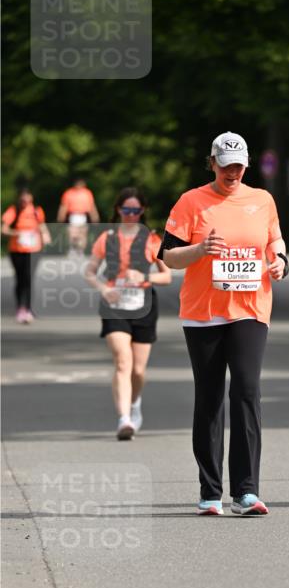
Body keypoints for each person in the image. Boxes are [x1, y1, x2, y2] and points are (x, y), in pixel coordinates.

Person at [161, 131, 288, 516]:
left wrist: (280, 261)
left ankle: (247, 491)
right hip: (203, 312)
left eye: (238, 165)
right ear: (212, 163)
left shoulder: (261, 200)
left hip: (250, 307)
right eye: (225, 164)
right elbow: (168, 256)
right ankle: (210, 490)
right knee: (211, 396)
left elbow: (275, 241)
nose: (232, 171)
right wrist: (199, 250)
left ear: (246, 165)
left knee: (247, 390)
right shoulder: (192, 201)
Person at [84, 187, 171, 440]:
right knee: (123, 361)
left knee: (138, 370)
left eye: (136, 210)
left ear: (142, 211)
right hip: (114, 304)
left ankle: (134, 404)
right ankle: (123, 419)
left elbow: (166, 275)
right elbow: (89, 272)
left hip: (144, 303)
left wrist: (143, 276)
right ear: (118, 210)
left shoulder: (152, 239)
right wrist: (103, 289)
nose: (131, 215)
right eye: (126, 210)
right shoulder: (107, 238)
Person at [1, 187, 51, 323]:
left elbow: (41, 225)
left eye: (27, 196)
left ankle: (28, 308)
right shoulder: (13, 210)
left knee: (29, 278)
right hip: (17, 250)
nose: (25, 200)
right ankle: (20, 307)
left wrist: (46, 235)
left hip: (34, 249)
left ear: (31, 197)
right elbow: (3, 229)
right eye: (23, 197)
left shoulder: (36, 211)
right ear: (19, 198)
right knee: (20, 279)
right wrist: (17, 234)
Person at [57, 177, 100, 253]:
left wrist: (95, 216)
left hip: (83, 216)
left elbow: (91, 206)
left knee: (82, 234)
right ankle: (73, 249)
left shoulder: (87, 193)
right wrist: (61, 216)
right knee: (73, 234)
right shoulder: (69, 193)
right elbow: (64, 206)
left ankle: (80, 251)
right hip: (73, 216)